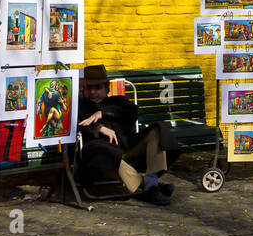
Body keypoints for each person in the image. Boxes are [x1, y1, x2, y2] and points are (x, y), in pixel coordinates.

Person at [77, 64, 181, 206]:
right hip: (103, 156)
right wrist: (99, 128)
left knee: (157, 129)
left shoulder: (118, 101)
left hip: (129, 148)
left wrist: (103, 113)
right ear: (84, 90)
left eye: (97, 88)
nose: (93, 92)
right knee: (99, 148)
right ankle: (148, 187)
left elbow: (133, 113)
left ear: (107, 88)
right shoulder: (80, 106)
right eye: (89, 88)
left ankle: (151, 180)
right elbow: (76, 124)